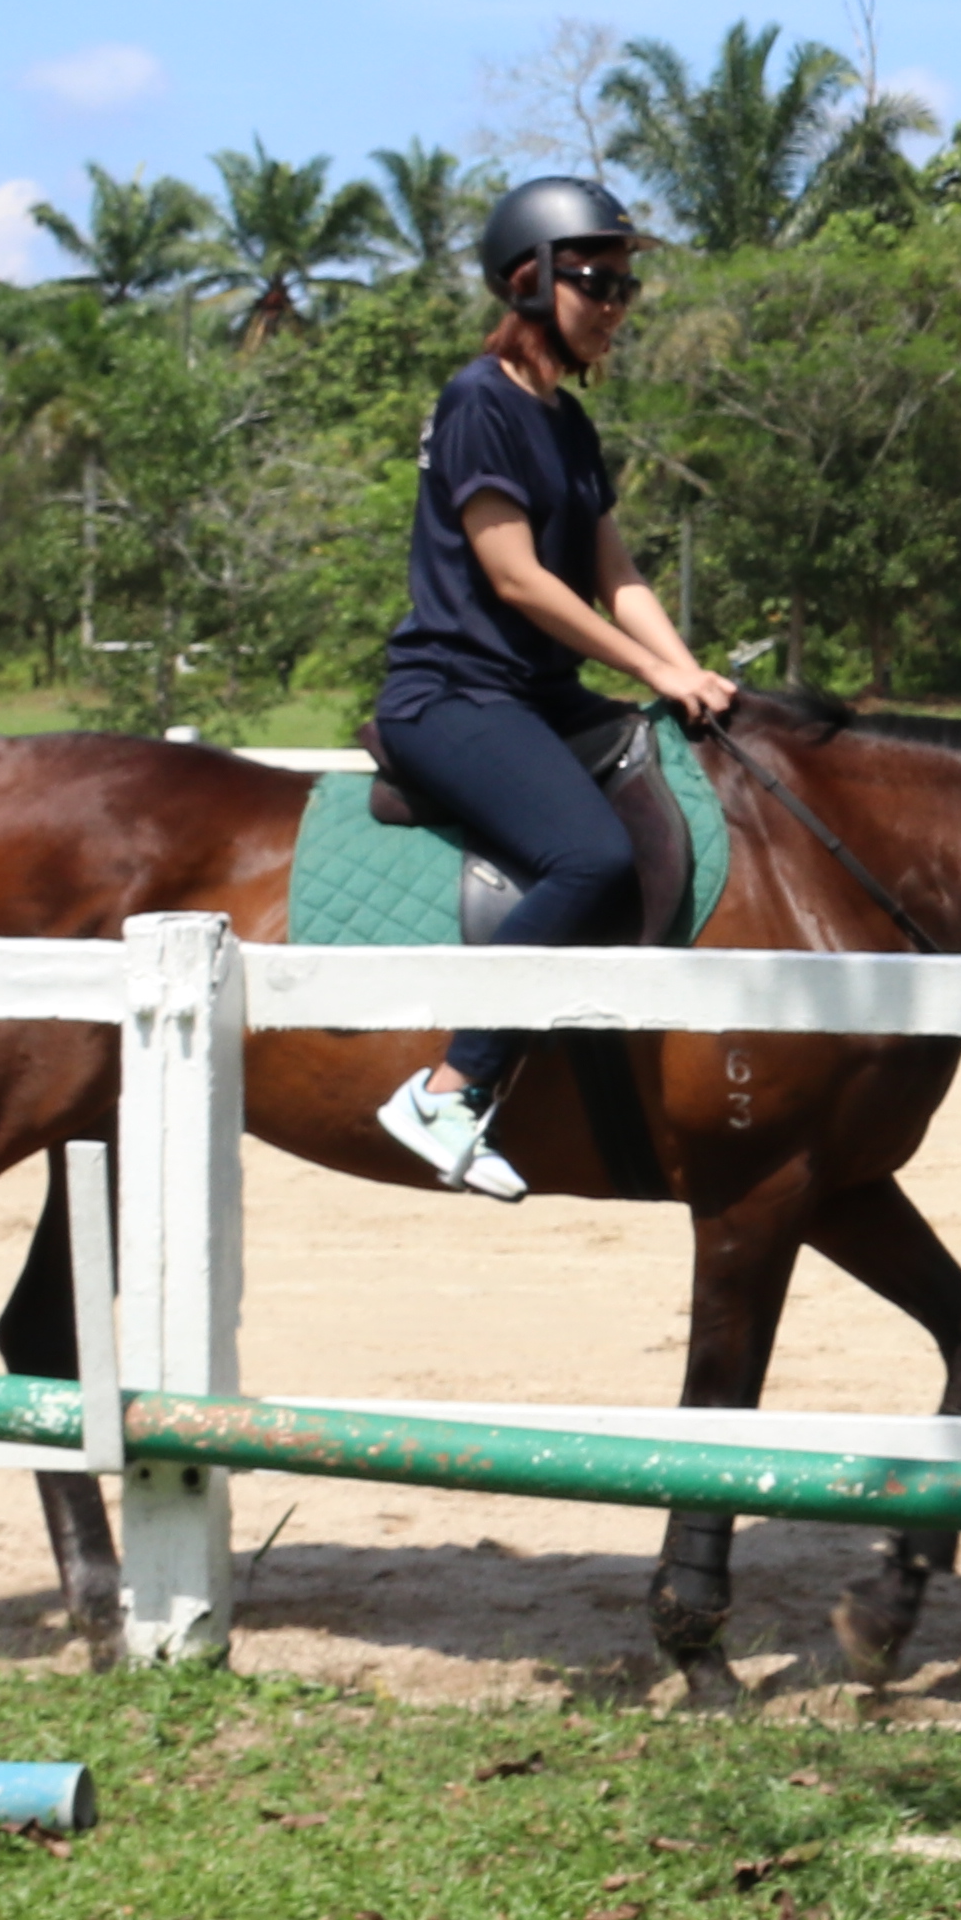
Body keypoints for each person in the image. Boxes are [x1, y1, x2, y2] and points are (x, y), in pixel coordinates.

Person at [366, 176, 738, 1202]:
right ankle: (447, 1088)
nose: (617, 305)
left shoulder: (568, 424)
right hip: (454, 694)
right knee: (589, 856)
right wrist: (655, 670)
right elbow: (518, 576)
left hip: (536, 696)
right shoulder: (477, 398)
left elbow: (616, 577)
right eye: (598, 282)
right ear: (531, 280)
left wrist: (687, 668)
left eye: (627, 286)